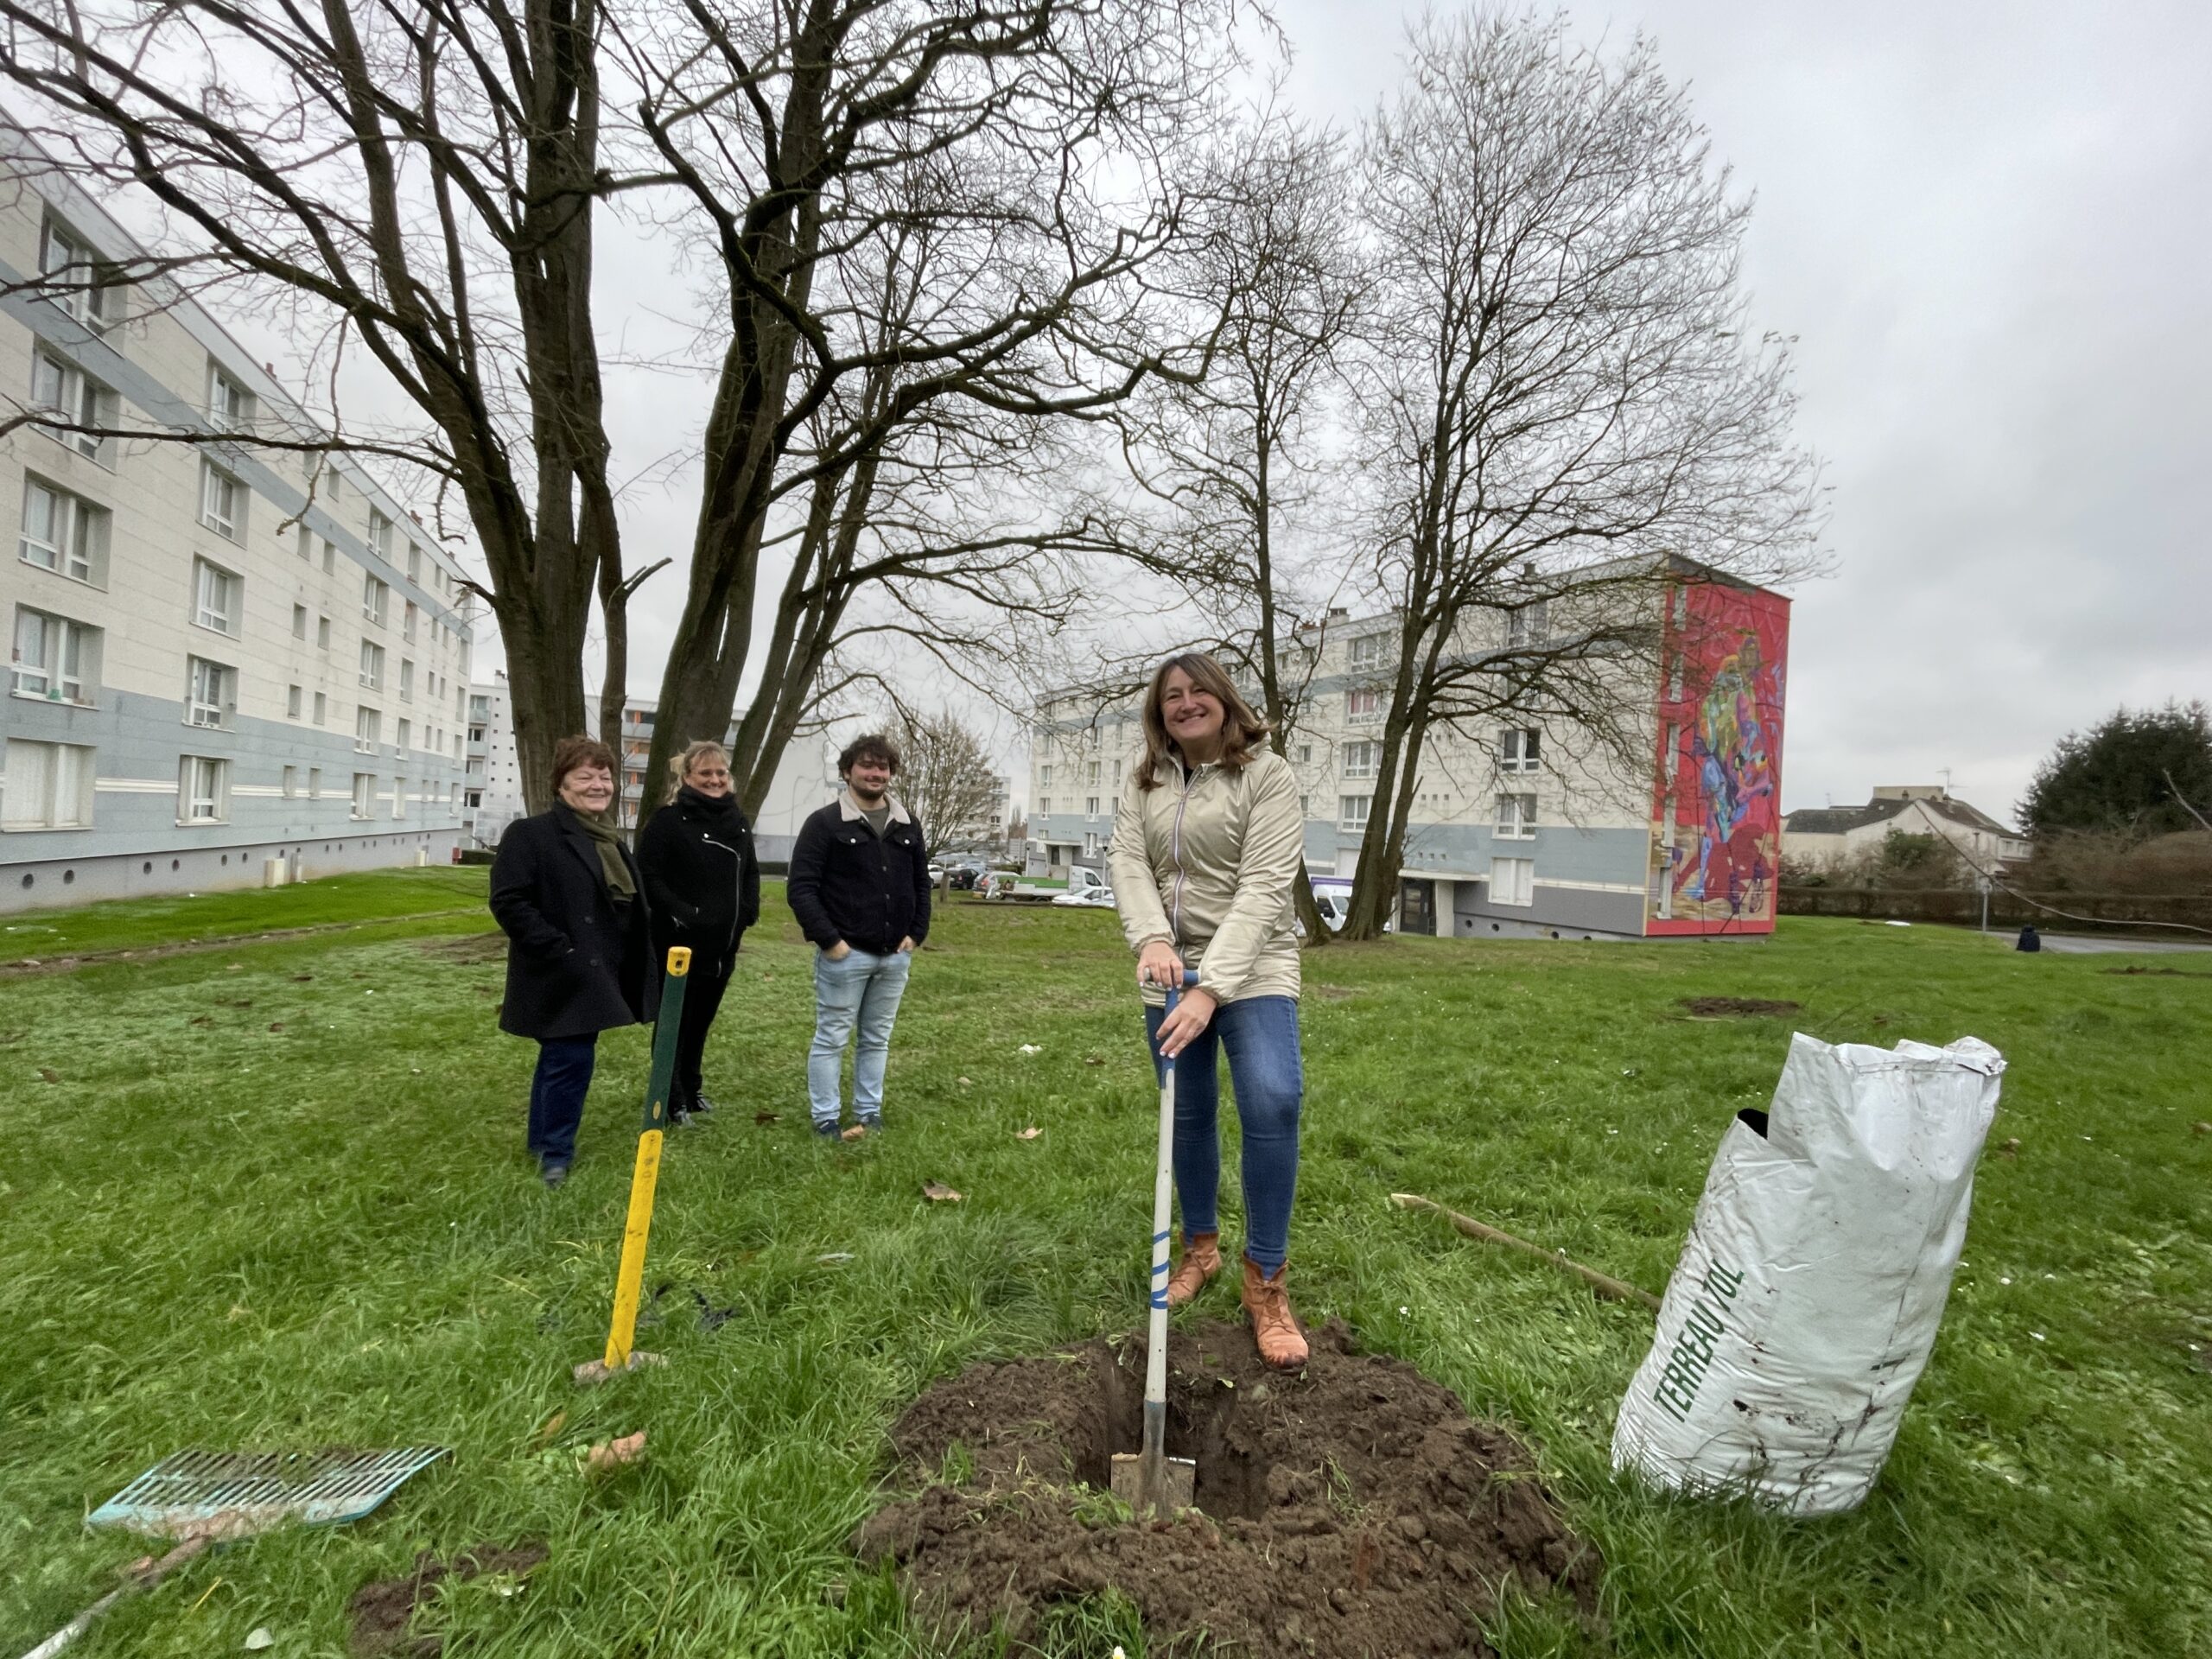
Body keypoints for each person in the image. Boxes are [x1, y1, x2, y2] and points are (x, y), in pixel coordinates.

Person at [1108, 652, 1310, 1368]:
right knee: (1186, 1112)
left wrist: (1210, 986)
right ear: (1158, 711)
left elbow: (1263, 887)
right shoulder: (1144, 783)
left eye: (1199, 692)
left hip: (1254, 963)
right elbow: (1128, 864)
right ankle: (1200, 1249)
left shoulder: (1268, 776)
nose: (1186, 704)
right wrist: (1153, 939)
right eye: (1172, 697)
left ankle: (1267, 1281)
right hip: (1167, 963)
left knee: (1272, 1099)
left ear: (1224, 701)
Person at [488, 735, 655, 1186]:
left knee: (562, 1057)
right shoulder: (531, 835)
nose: (598, 785)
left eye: (604, 776)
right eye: (585, 777)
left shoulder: (609, 840)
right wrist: (560, 949)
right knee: (570, 1057)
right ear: (561, 785)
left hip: (601, 966)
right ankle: (555, 1155)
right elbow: (509, 901)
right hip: (563, 968)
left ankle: (544, 1142)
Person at [786, 734, 931, 1136]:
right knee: (831, 1038)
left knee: (876, 1040)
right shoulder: (825, 824)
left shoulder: (908, 825)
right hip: (845, 956)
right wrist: (831, 942)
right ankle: (826, 1118)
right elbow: (801, 888)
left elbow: (921, 884)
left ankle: (870, 1113)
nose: (875, 773)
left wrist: (916, 934)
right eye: (867, 766)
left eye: (882, 767)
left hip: (894, 955)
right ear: (848, 771)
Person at [638, 740, 761, 1122]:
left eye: (720, 772)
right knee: (675, 1020)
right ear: (687, 777)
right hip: (678, 943)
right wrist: (683, 913)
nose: (714, 779)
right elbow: (648, 876)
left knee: (700, 1022)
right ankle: (669, 1098)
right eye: (705, 773)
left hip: (722, 947)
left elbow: (750, 873)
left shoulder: (736, 821)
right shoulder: (667, 821)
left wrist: (748, 912)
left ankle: (691, 1088)